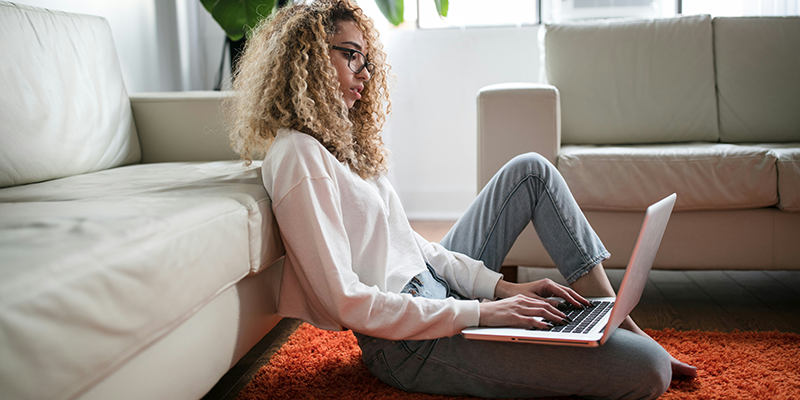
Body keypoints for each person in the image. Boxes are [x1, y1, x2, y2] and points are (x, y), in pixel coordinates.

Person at [227, 1, 696, 398]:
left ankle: (617, 318)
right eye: (351, 56)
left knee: (529, 170)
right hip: (408, 342)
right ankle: (622, 337)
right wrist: (481, 312)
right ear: (307, 57)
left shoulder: (338, 142)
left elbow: (412, 245)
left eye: (366, 60)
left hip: (436, 292)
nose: (364, 73)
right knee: (648, 369)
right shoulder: (297, 156)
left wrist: (499, 289)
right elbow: (346, 301)